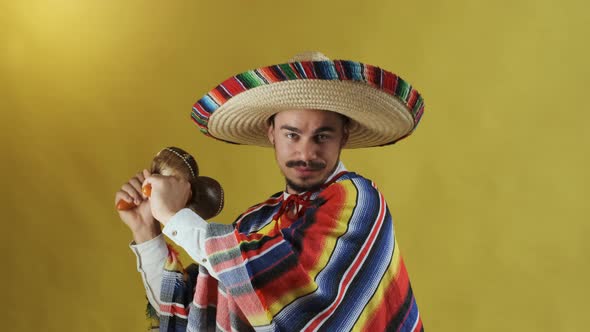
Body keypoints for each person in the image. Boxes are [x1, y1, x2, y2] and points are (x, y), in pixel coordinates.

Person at [116, 51, 425, 331]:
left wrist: (173, 216)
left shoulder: (358, 201)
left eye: (322, 136)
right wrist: (148, 231)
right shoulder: (253, 225)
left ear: (343, 136)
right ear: (271, 133)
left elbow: (288, 296)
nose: (305, 153)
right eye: (292, 134)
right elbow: (188, 318)